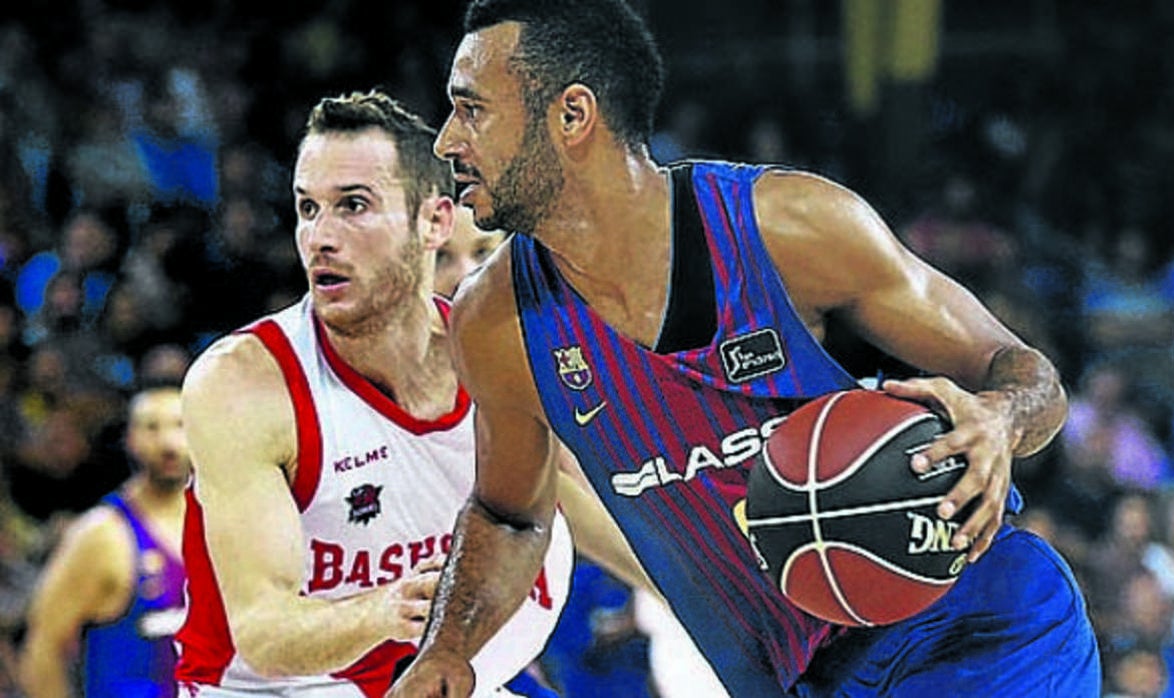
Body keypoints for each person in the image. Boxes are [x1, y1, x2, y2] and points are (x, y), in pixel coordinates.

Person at [391, 1, 1101, 695]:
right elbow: (509, 515)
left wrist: (1000, 420)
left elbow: (1024, 373)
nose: (449, 141)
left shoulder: (789, 230)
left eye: (471, 109)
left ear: (572, 116)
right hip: (800, 677)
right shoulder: (496, 321)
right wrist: (449, 648)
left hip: (977, 625)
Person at [173, 90, 579, 697]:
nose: (319, 238)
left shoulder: (503, 355)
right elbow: (263, 629)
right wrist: (391, 609)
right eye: (307, 209)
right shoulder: (245, 384)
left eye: (353, 206)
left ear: (435, 221)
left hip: (452, 674)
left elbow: (582, 499)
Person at [18, 382, 191, 697]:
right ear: (131, 439)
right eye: (152, 427)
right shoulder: (101, 534)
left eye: (180, 425)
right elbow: (42, 647)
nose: (168, 443)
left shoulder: (220, 526)